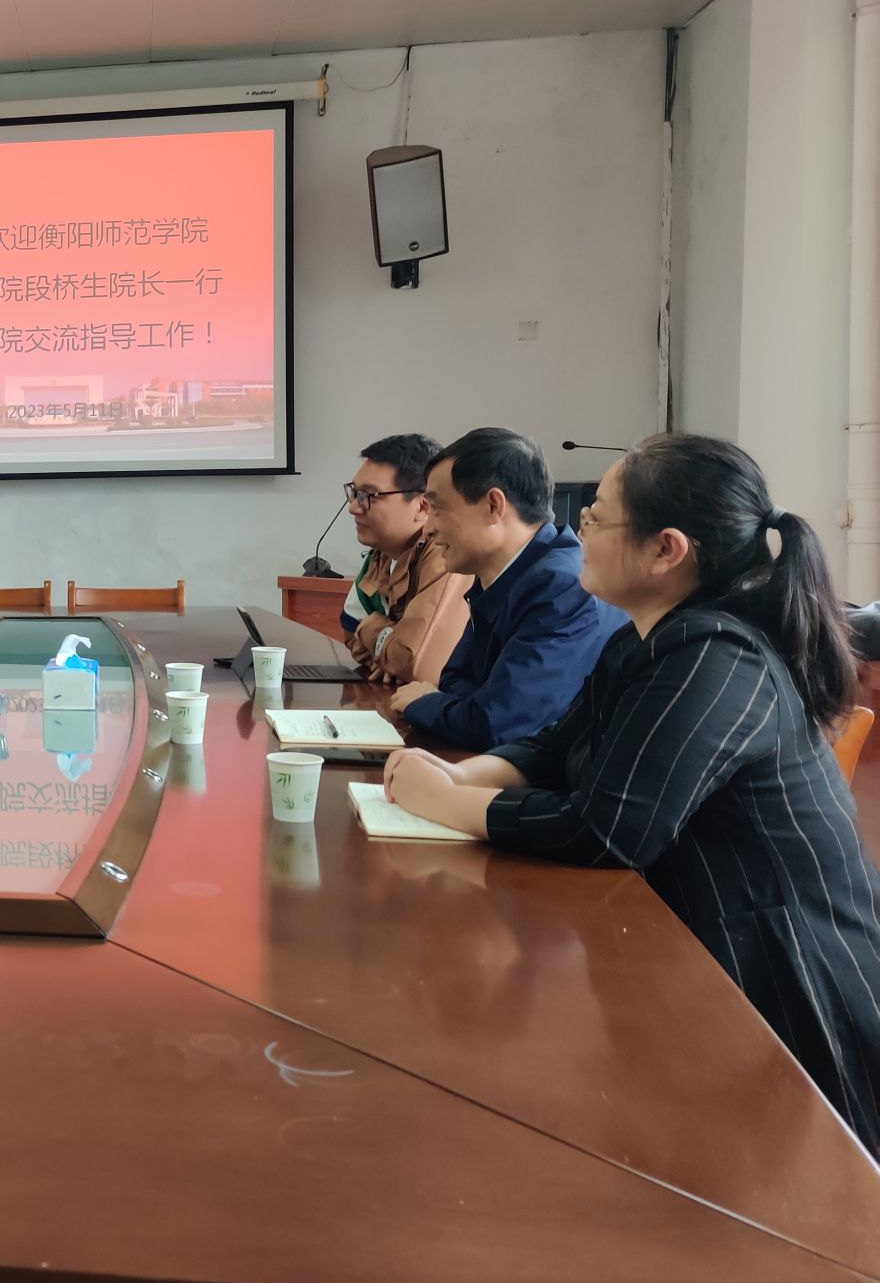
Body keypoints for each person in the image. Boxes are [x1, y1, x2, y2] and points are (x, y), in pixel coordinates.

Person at [386, 435, 880, 1154]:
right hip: (704, 957)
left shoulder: (717, 659)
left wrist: (443, 803)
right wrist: (462, 774)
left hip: (784, 989)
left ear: (665, 550)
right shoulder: (647, 640)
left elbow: (608, 829)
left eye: (597, 515)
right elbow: (555, 746)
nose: (576, 526)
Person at [390, 427, 625, 750]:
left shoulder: (562, 586)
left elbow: (499, 724)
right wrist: (460, 704)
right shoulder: (503, 575)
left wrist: (425, 704)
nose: (427, 529)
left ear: (493, 505)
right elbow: (455, 682)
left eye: (438, 509)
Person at [339, 434, 472, 685]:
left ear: (423, 506)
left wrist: (373, 627)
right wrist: (388, 660)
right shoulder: (383, 552)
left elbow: (415, 664)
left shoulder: (445, 554)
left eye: (369, 495)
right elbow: (349, 628)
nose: (353, 507)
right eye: (354, 492)